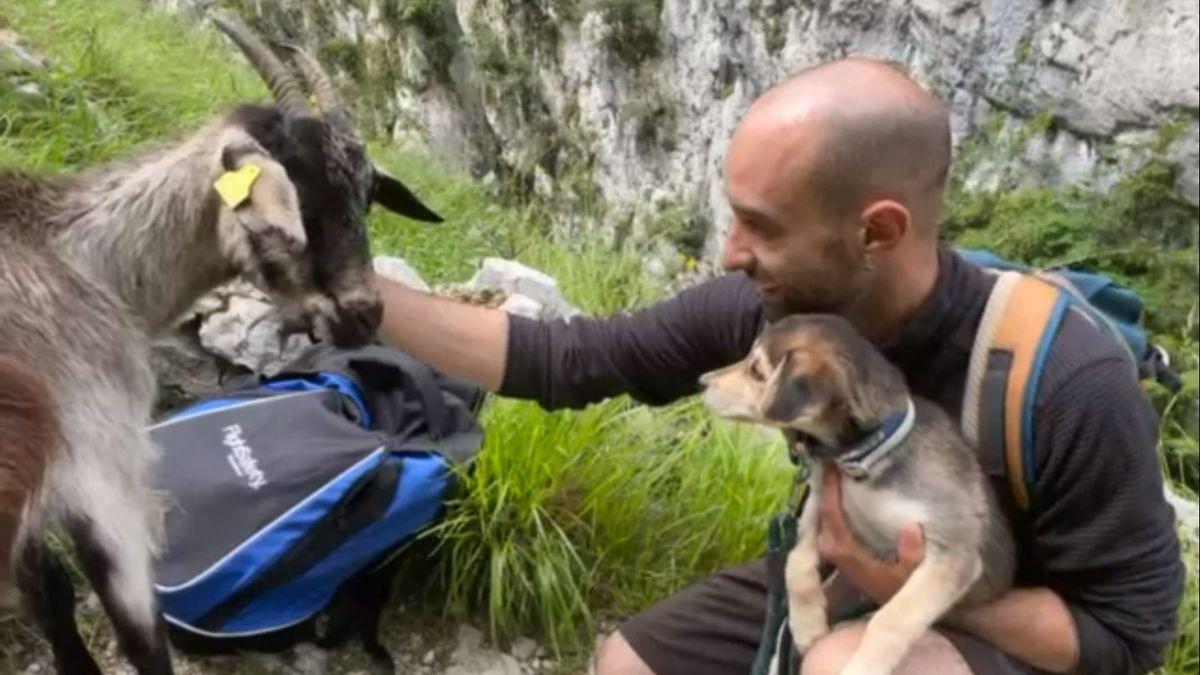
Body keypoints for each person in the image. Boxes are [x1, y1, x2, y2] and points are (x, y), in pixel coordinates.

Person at [373, 57, 1185, 675]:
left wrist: (915, 588)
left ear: (877, 231)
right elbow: (574, 359)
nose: (732, 253)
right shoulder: (778, 314)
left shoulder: (1065, 382)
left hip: (1001, 629)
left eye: (760, 226)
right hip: (846, 576)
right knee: (627, 664)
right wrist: (351, 292)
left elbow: (1128, 633)